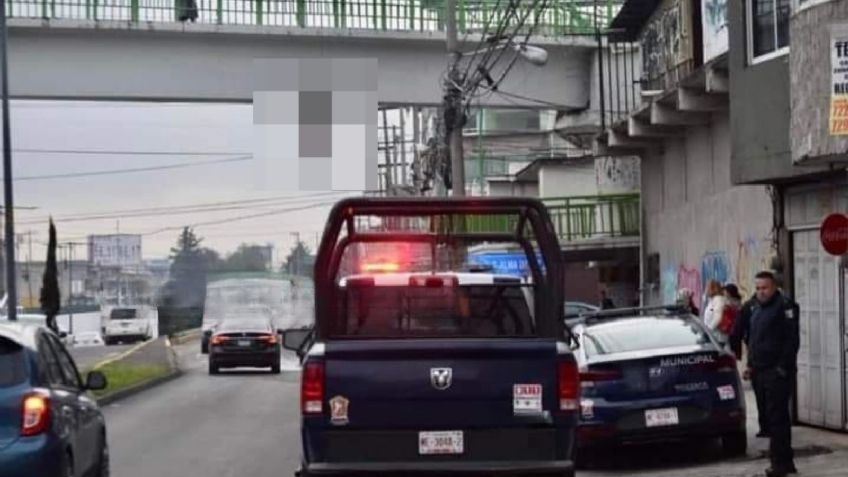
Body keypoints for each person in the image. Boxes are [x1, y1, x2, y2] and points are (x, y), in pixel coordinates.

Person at [730, 271, 800, 477]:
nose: (760, 292)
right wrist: (750, 365)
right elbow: (754, 340)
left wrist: (782, 369)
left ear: (774, 287)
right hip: (760, 371)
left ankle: (778, 464)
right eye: (758, 288)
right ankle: (787, 462)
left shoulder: (785, 307)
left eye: (765, 288)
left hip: (777, 372)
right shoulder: (756, 308)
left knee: (777, 420)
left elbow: (791, 341)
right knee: (774, 419)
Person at [703, 280, 728, 344]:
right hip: (713, 336)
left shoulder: (718, 300)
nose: (706, 290)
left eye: (707, 287)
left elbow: (718, 317)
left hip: (717, 337)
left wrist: (709, 329)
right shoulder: (712, 300)